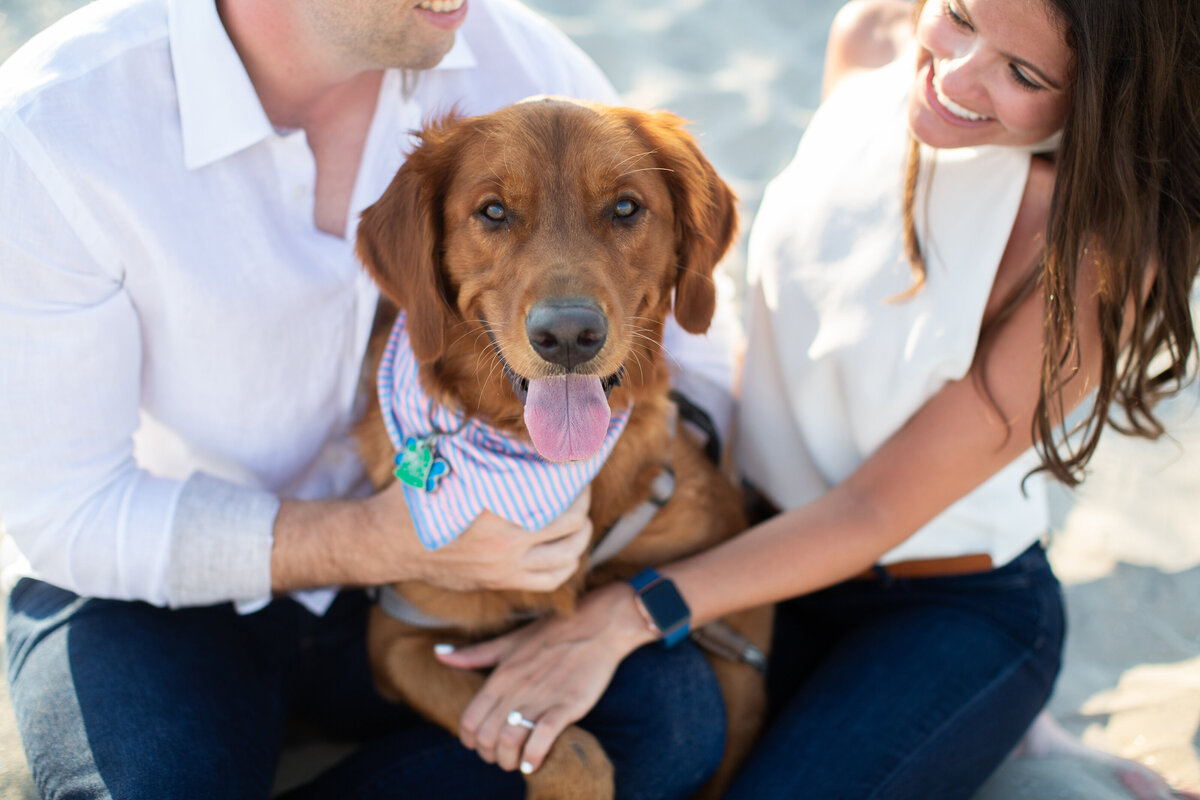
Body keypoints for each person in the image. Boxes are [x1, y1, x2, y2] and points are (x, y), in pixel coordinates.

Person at [434, 0, 1200, 797]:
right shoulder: (869, 38)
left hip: (937, 601)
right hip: (754, 544)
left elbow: (872, 513)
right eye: (962, 17)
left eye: (1024, 73)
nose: (957, 75)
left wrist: (627, 614)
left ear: (1103, 97)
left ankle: (1023, 738)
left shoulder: (1098, 250)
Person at [0, 0, 739, 797]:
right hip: (159, 590)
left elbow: (693, 332)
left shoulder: (523, 64)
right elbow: (67, 512)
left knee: (670, 718)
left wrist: (642, 513)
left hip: (436, 591)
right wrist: (389, 542)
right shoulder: (55, 127)